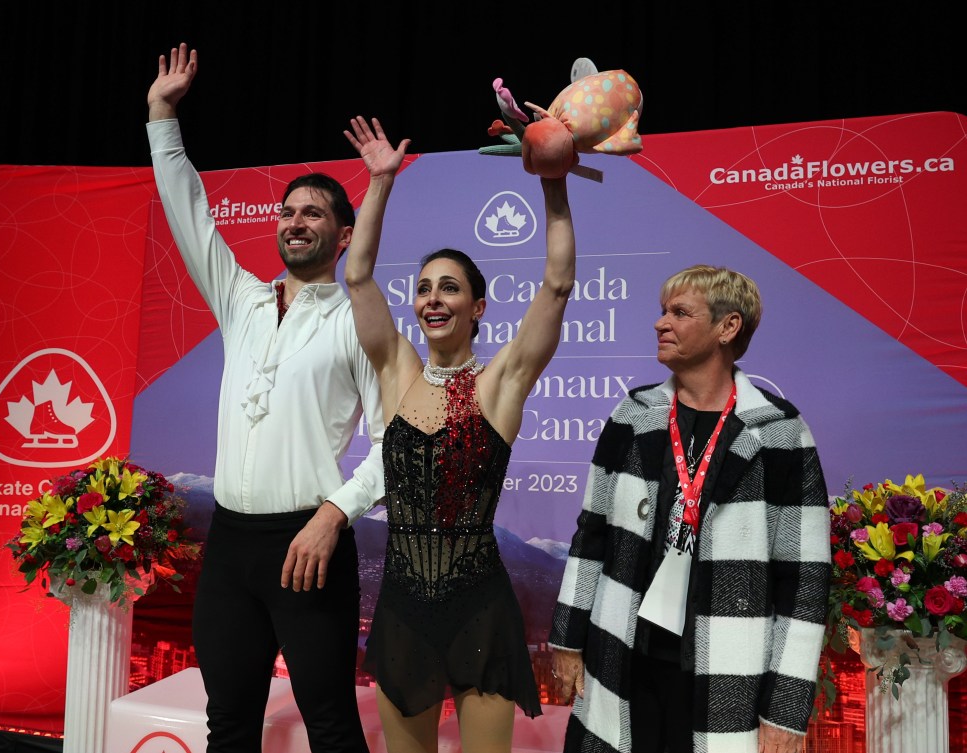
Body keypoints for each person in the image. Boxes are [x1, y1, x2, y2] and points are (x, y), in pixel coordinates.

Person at [146, 44, 384, 753]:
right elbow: (186, 210)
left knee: (331, 723)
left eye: (313, 213)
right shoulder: (240, 298)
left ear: (343, 235)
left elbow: (396, 439)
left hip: (307, 545)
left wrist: (334, 515)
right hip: (229, 547)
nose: (294, 221)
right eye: (287, 211)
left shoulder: (357, 321)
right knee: (229, 723)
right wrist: (163, 114)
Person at [341, 115, 577, 753]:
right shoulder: (396, 372)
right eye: (423, 289)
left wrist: (553, 183)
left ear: (477, 306)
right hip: (402, 608)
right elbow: (357, 277)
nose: (433, 299)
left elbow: (556, 284)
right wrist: (381, 182)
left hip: (481, 607)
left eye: (450, 288)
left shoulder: (501, 384)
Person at [549, 265, 832, 753]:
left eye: (680, 313)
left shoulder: (781, 431)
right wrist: (568, 640)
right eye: (663, 311)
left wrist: (785, 708)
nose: (661, 323)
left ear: (728, 327)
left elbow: (804, 581)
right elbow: (590, 536)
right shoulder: (632, 416)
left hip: (723, 672)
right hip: (623, 659)